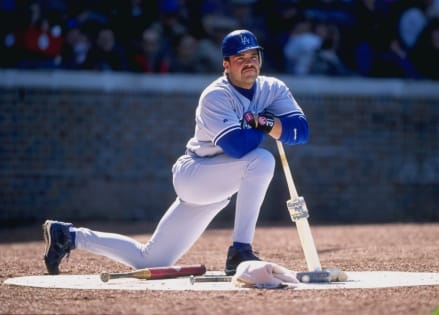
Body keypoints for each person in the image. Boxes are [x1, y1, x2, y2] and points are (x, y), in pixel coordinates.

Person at [43, 29, 309, 277]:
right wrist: (273, 125)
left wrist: (262, 123)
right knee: (262, 159)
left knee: (150, 260)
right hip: (195, 174)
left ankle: (69, 236)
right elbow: (238, 146)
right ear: (226, 64)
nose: (249, 62)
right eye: (240, 58)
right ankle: (240, 250)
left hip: (219, 186)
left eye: (254, 56)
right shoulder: (216, 95)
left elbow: (300, 132)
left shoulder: (273, 88)